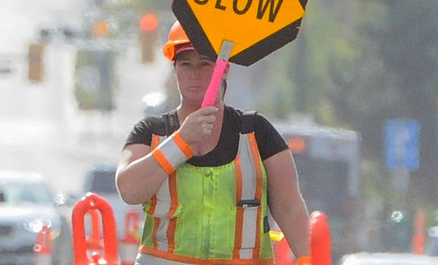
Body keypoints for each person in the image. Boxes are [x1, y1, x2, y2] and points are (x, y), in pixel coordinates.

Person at [116, 22, 313, 265]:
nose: (194, 74)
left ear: (224, 68)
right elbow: (129, 189)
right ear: (175, 69)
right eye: (185, 64)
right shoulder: (152, 133)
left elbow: (289, 206)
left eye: (205, 64)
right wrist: (181, 141)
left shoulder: (256, 133)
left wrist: (307, 259)